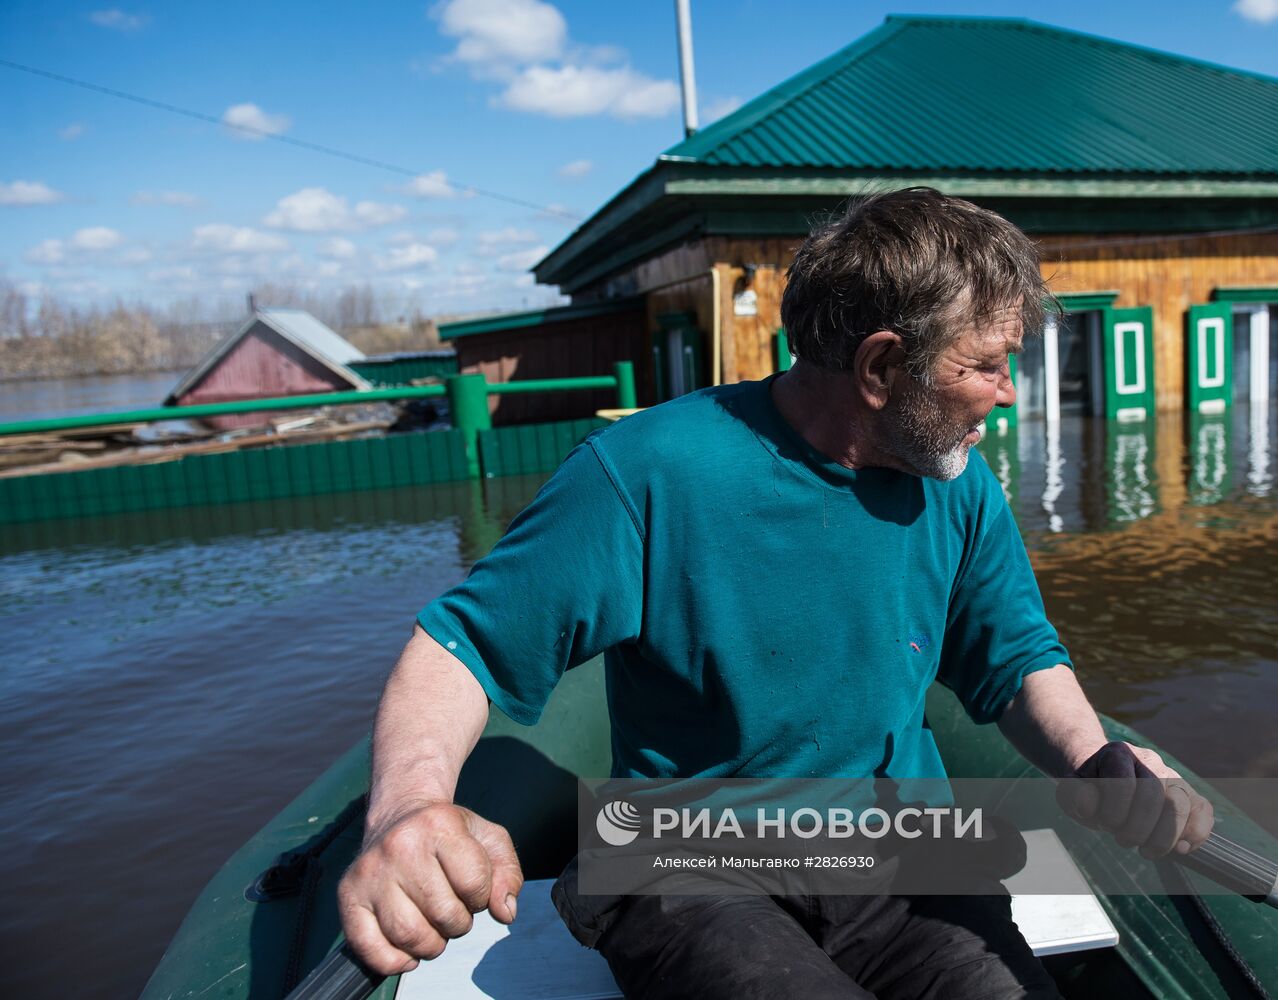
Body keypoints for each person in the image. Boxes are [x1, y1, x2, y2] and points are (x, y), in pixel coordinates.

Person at [337, 188, 1215, 998]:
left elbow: (1016, 655)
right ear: (880, 368)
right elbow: (461, 650)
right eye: (986, 365)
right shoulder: (647, 473)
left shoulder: (958, 483)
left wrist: (1095, 759)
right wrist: (409, 809)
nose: (1007, 393)